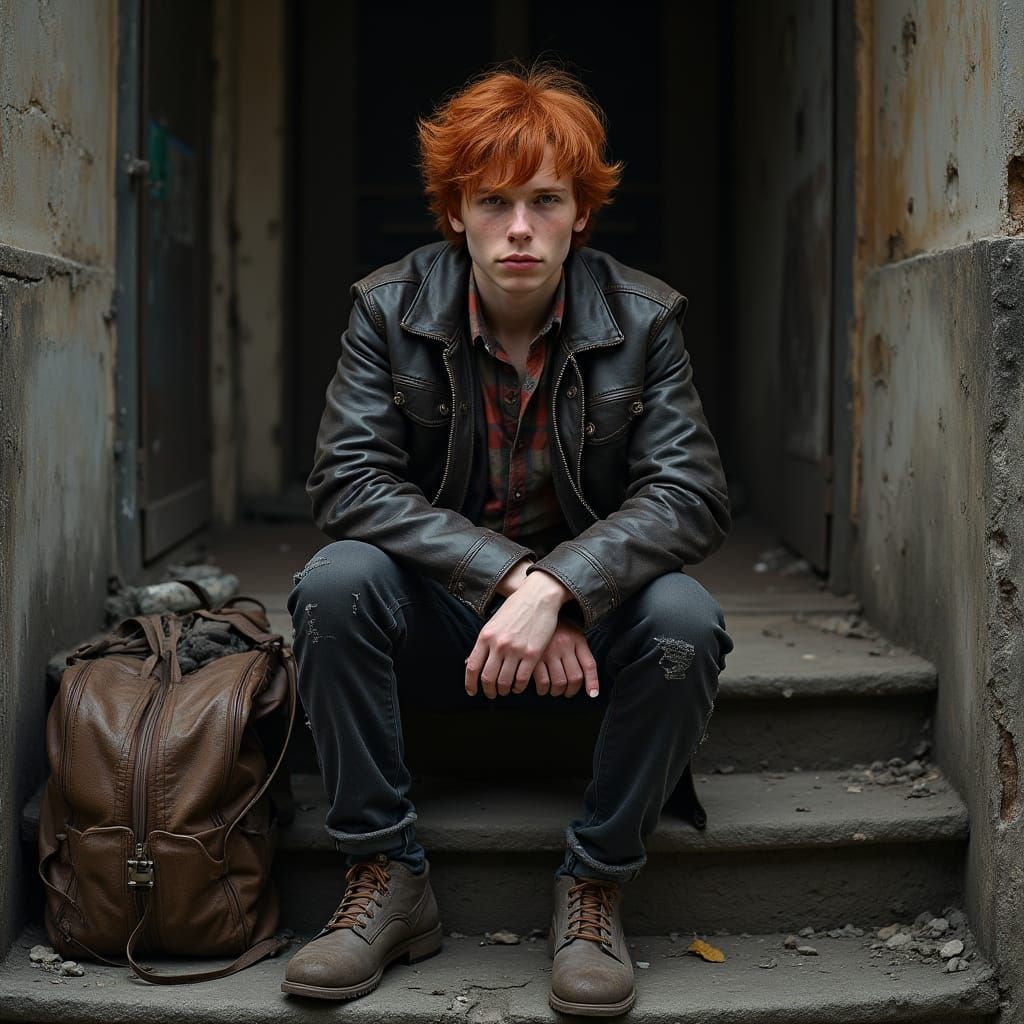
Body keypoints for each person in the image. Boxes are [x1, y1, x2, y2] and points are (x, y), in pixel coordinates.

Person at [282, 62, 734, 1016]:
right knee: (335, 584)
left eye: (545, 200)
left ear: (581, 215)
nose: (519, 227)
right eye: (493, 201)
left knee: (685, 618)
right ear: (455, 213)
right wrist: (513, 581)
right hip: (447, 621)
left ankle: (598, 881)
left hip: (593, 633)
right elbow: (348, 481)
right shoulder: (388, 308)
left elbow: (690, 493)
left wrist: (563, 589)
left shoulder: (645, 321)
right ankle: (387, 876)